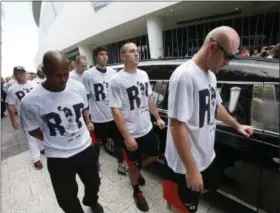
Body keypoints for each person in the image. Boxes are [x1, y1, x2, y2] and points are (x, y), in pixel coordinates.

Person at [162, 26, 254, 213]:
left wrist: (237, 125)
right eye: (228, 56)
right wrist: (191, 170)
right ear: (213, 47)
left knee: (209, 184)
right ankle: (174, 203)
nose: (228, 63)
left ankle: (175, 200)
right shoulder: (184, 77)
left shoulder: (210, 75)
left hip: (205, 155)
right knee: (185, 207)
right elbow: (176, 126)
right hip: (185, 163)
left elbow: (216, 107)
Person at [19, 51, 103, 213]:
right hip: (58, 157)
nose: (64, 80)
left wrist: (87, 123)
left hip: (85, 148)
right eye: (58, 76)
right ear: (45, 71)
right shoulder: (30, 102)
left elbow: (84, 108)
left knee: (94, 183)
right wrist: (53, 139)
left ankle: (91, 201)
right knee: (66, 198)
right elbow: (32, 129)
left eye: (66, 74)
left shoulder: (77, 87)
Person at [108, 42, 166, 212]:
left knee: (155, 155)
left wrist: (157, 117)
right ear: (122, 56)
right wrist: (127, 137)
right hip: (131, 132)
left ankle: (135, 168)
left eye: (137, 51)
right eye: (132, 51)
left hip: (147, 128)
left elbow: (150, 99)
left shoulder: (143, 74)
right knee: (134, 167)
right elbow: (115, 110)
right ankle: (136, 191)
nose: (137, 54)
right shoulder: (116, 80)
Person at [82, 45, 127, 175]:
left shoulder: (113, 72)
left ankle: (120, 163)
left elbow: (119, 94)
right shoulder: (88, 74)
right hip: (98, 117)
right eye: (101, 54)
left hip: (113, 115)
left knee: (119, 141)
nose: (104, 56)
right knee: (96, 144)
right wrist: (88, 120)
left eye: (106, 54)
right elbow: (86, 97)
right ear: (96, 57)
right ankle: (95, 164)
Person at [6, 66, 45, 169]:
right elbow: (10, 106)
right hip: (26, 118)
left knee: (42, 133)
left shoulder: (34, 84)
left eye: (22, 72)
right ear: (15, 75)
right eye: (18, 73)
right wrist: (14, 121)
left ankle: (42, 148)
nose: (21, 75)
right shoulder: (11, 89)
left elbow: (41, 97)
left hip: (39, 114)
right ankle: (36, 159)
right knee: (31, 138)